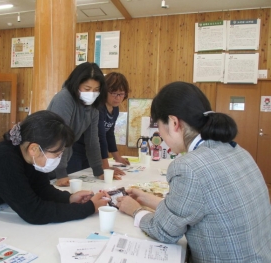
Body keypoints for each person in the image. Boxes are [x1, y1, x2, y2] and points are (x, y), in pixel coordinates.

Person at [116, 82, 271, 262]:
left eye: (158, 125)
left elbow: (163, 231)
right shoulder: (238, 151)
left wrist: (136, 211)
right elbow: (195, 208)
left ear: (174, 122)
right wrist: (147, 199)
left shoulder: (189, 167)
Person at [0, 110, 109, 225]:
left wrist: (69, 199)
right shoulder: (3, 160)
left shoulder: (27, 154)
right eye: (57, 153)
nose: (59, 158)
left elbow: (41, 190)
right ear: (34, 148)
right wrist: (88, 208)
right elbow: (34, 212)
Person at [47, 62, 109, 187]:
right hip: (46, 158)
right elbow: (59, 138)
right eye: (87, 89)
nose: (92, 93)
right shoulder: (64, 98)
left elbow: (92, 140)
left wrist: (98, 171)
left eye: (96, 90)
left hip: (61, 160)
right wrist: (61, 173)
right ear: (76, 85)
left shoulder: (93, 107)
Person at [68, 72, 130, 177]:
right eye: (113, 93)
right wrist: (105, 166)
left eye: (121, 94)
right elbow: (100, 137)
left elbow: (109, 133)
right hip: (77, 150)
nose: (117, 98)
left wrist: (117, 157)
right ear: (104, 92)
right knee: (76, 178)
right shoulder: (98, 108)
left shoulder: (115, 109)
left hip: (91, 152)